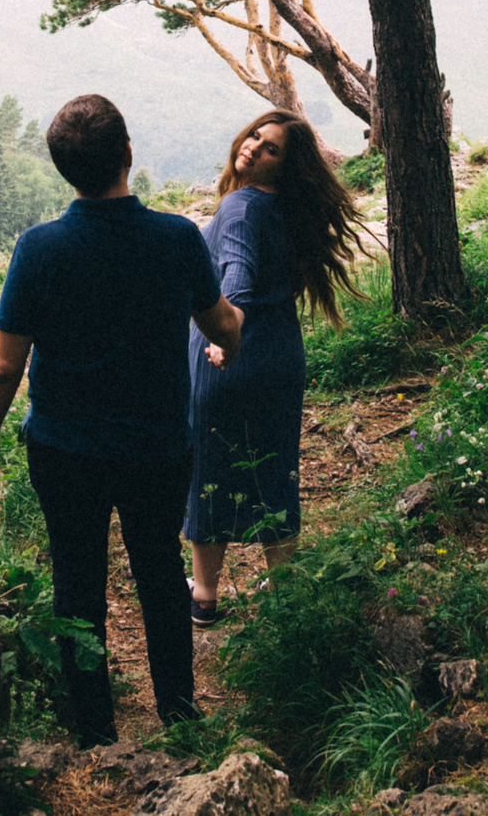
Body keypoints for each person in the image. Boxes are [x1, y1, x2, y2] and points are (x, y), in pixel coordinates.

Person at [0, 95, 243, 747]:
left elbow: (1, 368)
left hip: (64, 449)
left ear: (63, 168)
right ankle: (178, 713)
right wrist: (234, 334)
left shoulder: (38, 248)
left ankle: (93, 729)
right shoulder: (177, 238)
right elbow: (222, 323)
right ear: (127, 153)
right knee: (159, 572)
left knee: (77, 581)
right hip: (157, 446)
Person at [184, 111, 361, 624]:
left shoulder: (240, 206)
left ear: (284, 166)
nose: (254, 147)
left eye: (271, 149)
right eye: (256, 136)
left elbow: (235, 280)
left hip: (229, 359)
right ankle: (285, 597)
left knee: (208, 472)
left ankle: (205, 598)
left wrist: (227, 337)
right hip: (280, 358)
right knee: (276, 470)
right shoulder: (292, 210)